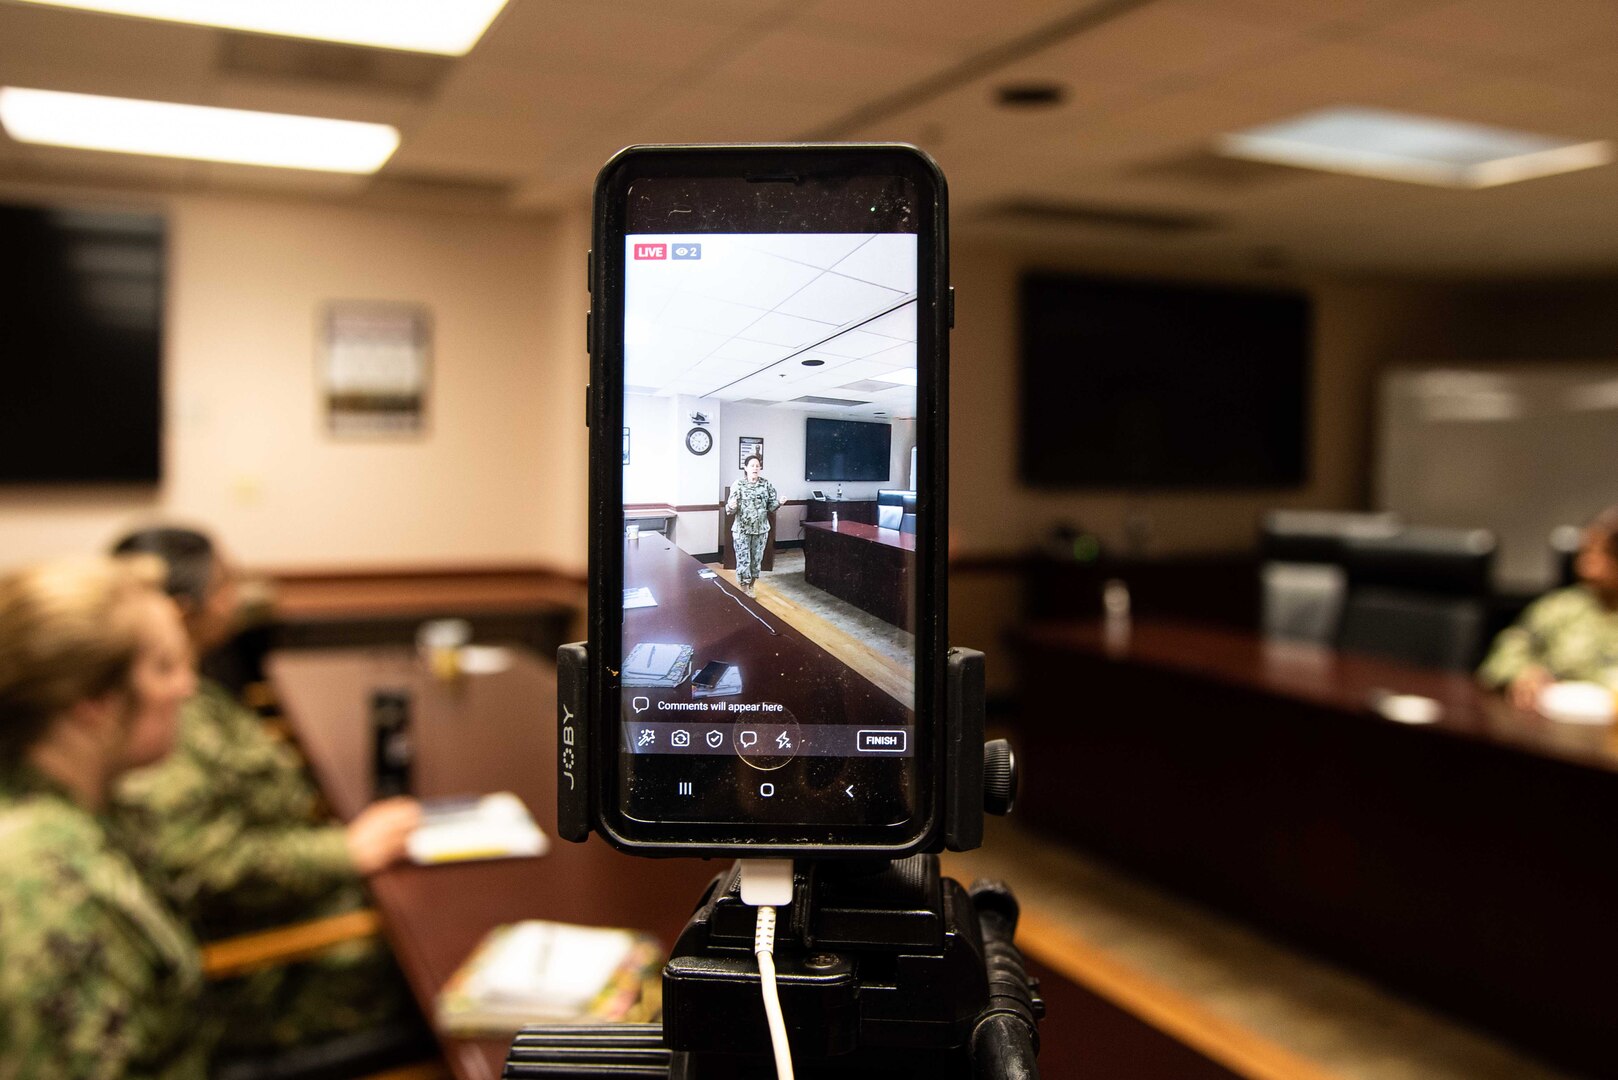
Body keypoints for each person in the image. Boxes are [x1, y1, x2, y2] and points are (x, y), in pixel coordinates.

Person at [108, 526, 421, 1052]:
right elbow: (211, 866)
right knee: (431, 936)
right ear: (184, 609)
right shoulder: (159, 717)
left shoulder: (184, 684)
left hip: (285, 894)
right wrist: (345, 851)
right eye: (225, 585)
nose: (235, 598)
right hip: (259, 967)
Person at [0, 555, 215, 1078]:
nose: (186, 687)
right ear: (93, 703)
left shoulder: (73, 812)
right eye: (164, 667)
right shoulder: (49, 891)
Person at [1478, 507, 1618, 710]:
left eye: (1603, 555)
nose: (1586, 566)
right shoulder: (1559, 607)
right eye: (1585, 553)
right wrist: (1522, 672)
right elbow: (1508, 650)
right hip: (1551, 722)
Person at [725, 454, 779, 597]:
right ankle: (744, 590)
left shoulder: (766, 484)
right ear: (746, 468)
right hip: (742, 530)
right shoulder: (738, 484)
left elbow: (771, 506)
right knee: (744, 560)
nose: (755, 468)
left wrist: (780, 502)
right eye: (752, 465)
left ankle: (751, 586)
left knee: (756, 561)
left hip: (761, 530)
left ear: (760, 468)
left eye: (757, 465)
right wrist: (731, 505)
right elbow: (729, 509)